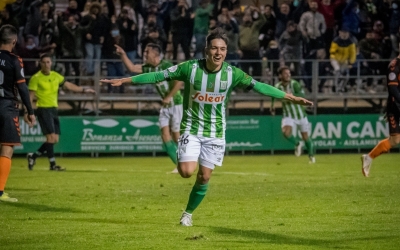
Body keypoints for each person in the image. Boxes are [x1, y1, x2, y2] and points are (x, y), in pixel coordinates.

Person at [100, 28, 313, 226]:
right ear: (207, 50)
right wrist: (126, 80)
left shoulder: (232, 73)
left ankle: (188, 214)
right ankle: (186, 193)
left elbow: (260, 86)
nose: (218, 52)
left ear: (226, 51)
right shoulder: (189, 68)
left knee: (205, 176)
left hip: (216, 133)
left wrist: (289, 97)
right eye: (214, 48)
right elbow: (157, 75)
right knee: (186, 172)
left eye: (222, 49)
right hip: (192, 129)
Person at [114, 43, 183, 173]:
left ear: (155, 54)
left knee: (176, 137)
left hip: (176, 103)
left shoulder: (167, 66)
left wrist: (169, 96)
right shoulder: (148, 68)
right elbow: (132, 68)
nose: (144, 54)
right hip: (165, 106)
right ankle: (179, 166)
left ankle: (190, 159)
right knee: (164, 135)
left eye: (147, 52)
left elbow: (179, 81)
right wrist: (123, 54)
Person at [27, 54, 95, 171]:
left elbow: (69, 85)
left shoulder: (55, 76)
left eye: (48, 62)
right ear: (40, 64)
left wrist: (84, 89)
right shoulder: (36, 78)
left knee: (55, 139)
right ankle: (52, 165)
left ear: (51, 63)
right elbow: (30, 96)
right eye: (44, 62)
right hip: (43, 109)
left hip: (53, 109)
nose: (46, 64)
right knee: (51, 138)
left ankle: (33, 156)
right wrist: (27, 111)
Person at [0, 25, 36, 202]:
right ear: (14, 41)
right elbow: (22, 87)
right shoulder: (15, 60)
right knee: (6, 148)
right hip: (6, 107)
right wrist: (30, 111)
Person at [361, 50, 400, 177]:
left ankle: (368, 157)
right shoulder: (394, 66)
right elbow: (393, 90)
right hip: (396, 107)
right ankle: (369, 157)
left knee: (395, 140)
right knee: (394, 140)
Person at [270, 66, 315, 163]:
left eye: (289, 73)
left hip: (300, 114)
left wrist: (293, 96)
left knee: (305, 136)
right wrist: (272, 106)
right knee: (285, 133)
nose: (288, 75)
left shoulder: (294, 84)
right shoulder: (278, 87)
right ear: (280, 75)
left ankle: (311, 156)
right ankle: (297, 143)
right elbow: (273, 95)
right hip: (288, 114)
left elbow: (302, 95)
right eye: (285, 73)